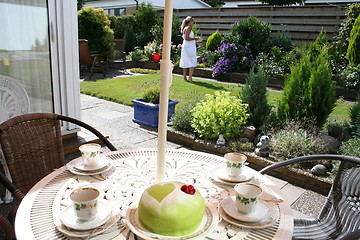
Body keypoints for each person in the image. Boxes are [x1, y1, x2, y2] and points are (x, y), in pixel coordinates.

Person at [179, 16, 199, 83]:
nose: (193, 23)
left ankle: (185, 77)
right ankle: (190, 78)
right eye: (193, 22)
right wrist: (195, 38)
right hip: (189, 46)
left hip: (187, 45)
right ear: (190, 22)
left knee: (186, 60)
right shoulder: (188, 28)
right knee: (192, 61)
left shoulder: (185, 28)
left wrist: (194, 40)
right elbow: (187, 38)